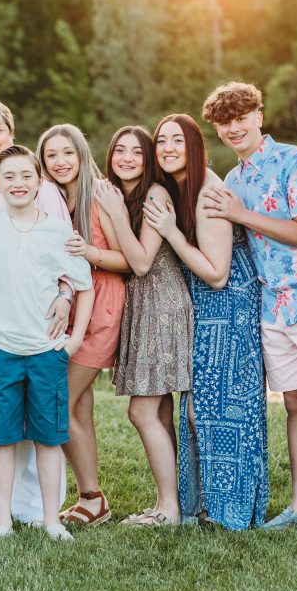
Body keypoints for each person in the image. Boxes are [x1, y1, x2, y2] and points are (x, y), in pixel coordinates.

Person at [201, 82, 297, 538]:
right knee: (296, 403)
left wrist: (240, 215)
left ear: (259, 116)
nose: (234, 127)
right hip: (274, 305)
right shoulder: (232, 182)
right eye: (224, 121)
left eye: (241, 116)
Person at [143, 113, 269, 530]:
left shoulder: (208, 195)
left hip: (228, 309)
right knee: (200, 409)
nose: (168, 148)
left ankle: (229, 511)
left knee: (222, 410)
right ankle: (203, 505)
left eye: (177, 140)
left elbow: (216, 273)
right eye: (161, 141)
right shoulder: (185, 189)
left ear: (195, 146)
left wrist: (172, 233)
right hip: (207, 312)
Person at [0, 145, 93, 541]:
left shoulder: (58, 232)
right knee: (2, 439)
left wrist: (73, 342)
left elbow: (84, 285)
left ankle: (51, 519)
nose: (18, 183)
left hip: (45, 351)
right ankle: (2, 520)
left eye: (26, 176)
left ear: (40, 182)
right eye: (9, 177)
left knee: (48, 438)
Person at [95, 125, 193, 527]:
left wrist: (115, 213)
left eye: (137, 151)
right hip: (142, 305)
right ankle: (170, 502)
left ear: (148, 158)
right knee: (161, 407)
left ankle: (169, 509)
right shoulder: (123, 194)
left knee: (142, 410)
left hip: (162, 305)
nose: (127, 158)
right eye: (120, 150)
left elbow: (140, 262)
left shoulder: (155, 194)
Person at [37, 123, 129, 526]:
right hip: (70, 309)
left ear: (81, 154)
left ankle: (93, 496)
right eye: (51, 155)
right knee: (81, 406)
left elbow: (129, 260)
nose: (60, 162)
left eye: (67, 153)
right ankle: (89, 497)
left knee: (60, 398)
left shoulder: (102, 195)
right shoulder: (52, 198)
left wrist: (88, 251)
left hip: (102, 309)